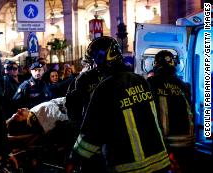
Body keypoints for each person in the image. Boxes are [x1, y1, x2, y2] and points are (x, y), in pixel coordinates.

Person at [67, 36, 170, 173]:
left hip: (129, 167)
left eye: (92, 62)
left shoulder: (105, 88)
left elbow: (91, 133)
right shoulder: (141, 80)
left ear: (101, 60)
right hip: (159, 162)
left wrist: (73, 159)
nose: (93, 68)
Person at [147, 50, 195, 173]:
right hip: (188, 141)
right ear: (174, 64)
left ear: (155, 64)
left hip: (165, 142)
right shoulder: (184, 85)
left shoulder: (151, 83)